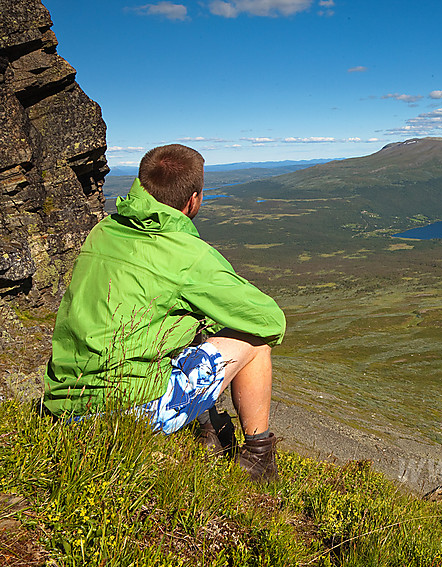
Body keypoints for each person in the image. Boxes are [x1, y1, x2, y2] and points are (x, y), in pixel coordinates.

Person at [43, 144, 285, 482]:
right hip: (124, 414)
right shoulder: (188, 254)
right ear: (194, 199)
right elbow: (270, 320)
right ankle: (259, 459)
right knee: (256, 341)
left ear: (142, 186)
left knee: (179, 324)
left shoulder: (103, 231)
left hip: (65, 404)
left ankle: (211, 431)